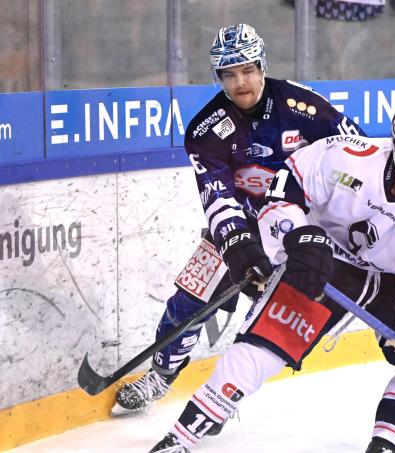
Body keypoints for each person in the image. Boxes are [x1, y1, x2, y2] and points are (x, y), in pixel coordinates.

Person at [149, 97, 395, 453]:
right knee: (261, 349)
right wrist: (300, 235)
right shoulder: (346, 155)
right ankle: (179, 438)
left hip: (389, 282)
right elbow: (283, 190)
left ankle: (385, 445)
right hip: (322, 265)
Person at [113, 23, 365, 416]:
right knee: (189, 300)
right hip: (245, 227)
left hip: (303, 230)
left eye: (247, 70)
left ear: (262, 66)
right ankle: (159, 378)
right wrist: (236, 243)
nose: (240, 82)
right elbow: (216, 196)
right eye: (229, 74)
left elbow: (358, 156)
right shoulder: (205, 129)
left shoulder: (306, 107)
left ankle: (227, 390)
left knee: (263, 322)